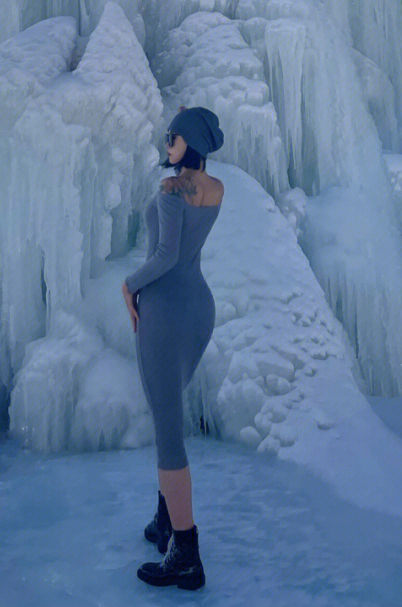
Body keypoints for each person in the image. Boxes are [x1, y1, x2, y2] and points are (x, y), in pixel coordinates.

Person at [122, 105, 224, 589]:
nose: (167, 144)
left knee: (168, 433)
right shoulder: (214, 189)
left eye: (172, 138)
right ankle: (165, 521)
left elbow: (165, 256)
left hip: (162, 312)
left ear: (189, 141)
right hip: (198, 309)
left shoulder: (171, 190)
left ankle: (184, 550)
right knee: (171, 412)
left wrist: (128, 284)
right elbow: (188, 252)